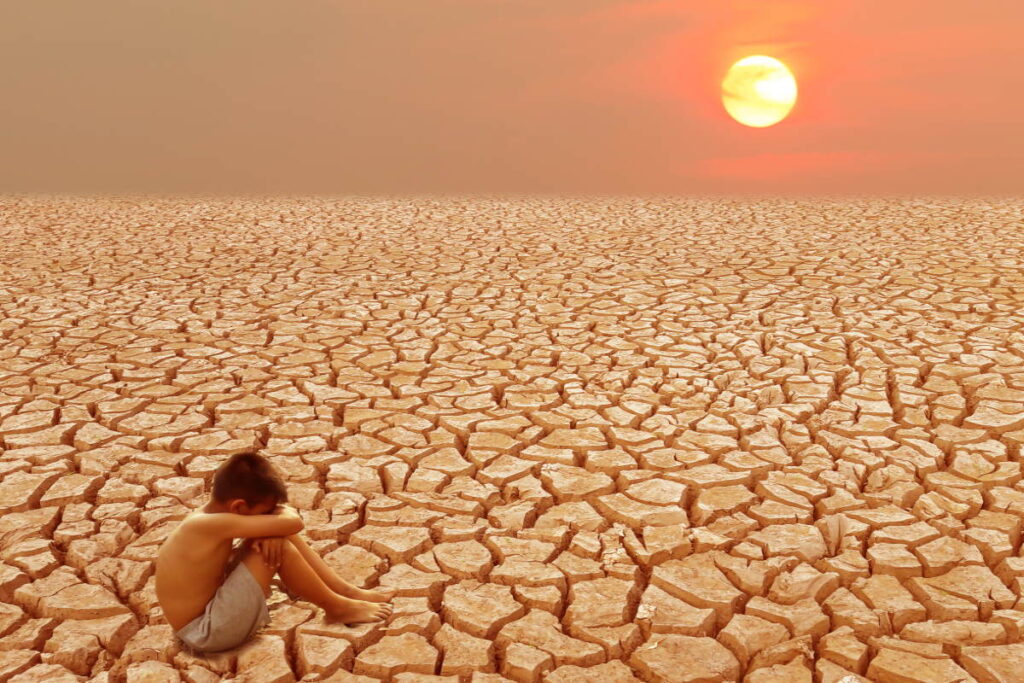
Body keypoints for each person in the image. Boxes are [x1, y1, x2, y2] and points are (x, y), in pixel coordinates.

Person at [155, 451, 393, 654]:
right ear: (238, 506)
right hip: (205, 631)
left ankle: (344, 591)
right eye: (264, 511)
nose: (270, 513)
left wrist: (270, 525)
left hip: (212, 610)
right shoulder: (206, 525)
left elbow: (284, 522)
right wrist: (274, 524)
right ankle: (336, 607)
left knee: (276, 536)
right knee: (281, 544)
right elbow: (292, 522)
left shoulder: (211, 516)